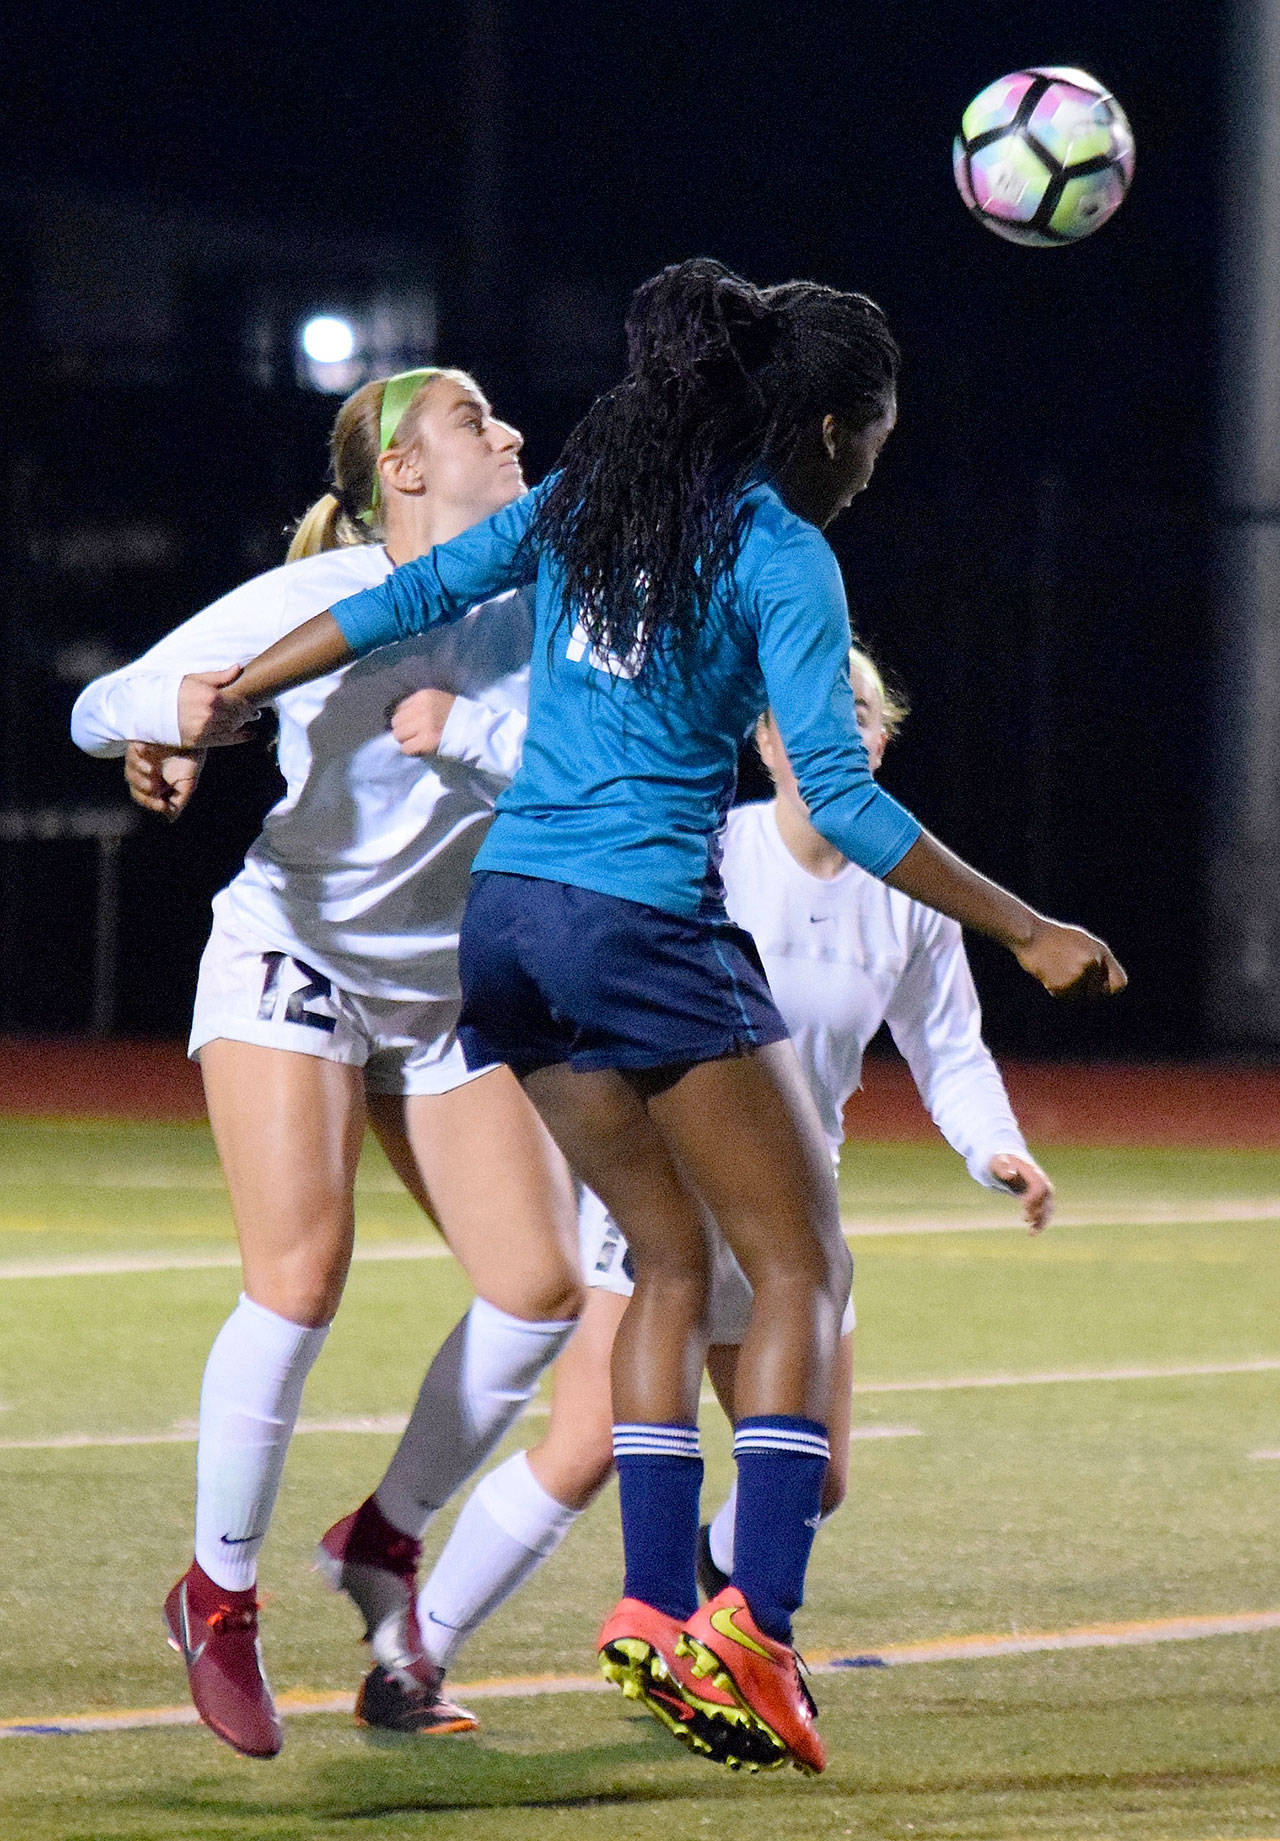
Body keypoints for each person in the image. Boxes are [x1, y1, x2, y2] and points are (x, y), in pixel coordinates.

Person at [179, 258, 1126, 1775]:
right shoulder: (779, 549)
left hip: (505, 935)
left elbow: (399, 600)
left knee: (663, 1262)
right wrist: (1025, 925)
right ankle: (751, 1634)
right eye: (877, 438)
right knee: (801, 1263)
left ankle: (647, 1601)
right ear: (831, 425)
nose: (873, 466)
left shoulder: (593, 504)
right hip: (638, 930)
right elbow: (843, 797)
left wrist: (230, 692)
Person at [353, 646, 1052, 1729]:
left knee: (812, 1478)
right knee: (584, 1444)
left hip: (788, 1207)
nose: (836, 732)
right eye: (808, 716)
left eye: (857, 713)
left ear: (881, 732)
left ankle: (703, 1625)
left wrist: (993, 1148)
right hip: (668, 1191)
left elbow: (946, 1049)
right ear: (763, 738)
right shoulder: (706, 846)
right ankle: (412, 1659)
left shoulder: (910, 891)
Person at [70, 367, 584, 1759]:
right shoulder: (321, 594)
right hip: (294, 955)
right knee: (301, 1276)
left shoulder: (547, 598)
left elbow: (595, 763)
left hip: (445, 986)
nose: (515, 433)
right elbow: (103, 702)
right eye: (478, 420)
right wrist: (161, 714)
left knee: (539, 1291)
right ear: (405, 476)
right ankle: (218, 1596)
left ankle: (384, 1534)